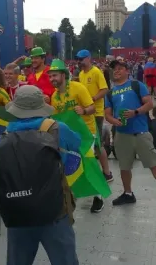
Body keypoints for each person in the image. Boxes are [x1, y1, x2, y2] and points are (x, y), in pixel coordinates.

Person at [0, 85, 80, 265]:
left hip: (18, 211)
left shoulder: (7, 131)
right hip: (54, 209)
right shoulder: (56, 128)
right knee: (65, 260)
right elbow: (76, 143)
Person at [104, 58, 156, 215]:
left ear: (127, 71)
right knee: (124, 167)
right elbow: (107, 114)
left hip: (140, 133)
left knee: (154, 164)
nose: (116, 71)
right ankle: (128, 193)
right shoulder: (110, 93)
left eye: (119, 68)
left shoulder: (137, 85)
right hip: (122, 135)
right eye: (114, 69)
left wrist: (135, 112)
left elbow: (149, 104)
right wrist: (114, 121)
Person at [48, 59, 106, 213]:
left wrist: (84, 111)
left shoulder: (78, 88)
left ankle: (98, 196)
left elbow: (93, 108)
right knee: (72, 164)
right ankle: (72, 194)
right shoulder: (54, 96)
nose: (52, 79)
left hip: (87, 133)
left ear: (63, 75)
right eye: (50, 76)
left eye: (54, 75)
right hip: (69, 136)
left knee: (89, 164)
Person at [77, 50, 113, 182]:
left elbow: (104, 89)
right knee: (90, 142)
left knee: (97, 144)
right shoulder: (81, 74)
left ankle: (106, 172)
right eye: (78, 59)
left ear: (89, 58)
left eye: (82, 59)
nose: (80, 61)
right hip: (85, 113)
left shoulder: (96, 72)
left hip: (96, 112)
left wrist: (92, 99)